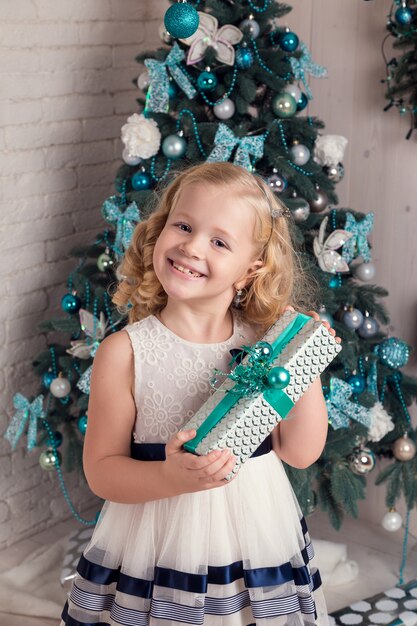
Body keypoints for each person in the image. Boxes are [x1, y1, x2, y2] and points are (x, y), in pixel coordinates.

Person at [61, 162, 340, 626]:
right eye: (184, 226)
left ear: (251, 269)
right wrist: (172, 479)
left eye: (219, 241)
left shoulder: (264, 346)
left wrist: (302, 365)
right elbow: (102, 472)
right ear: (160, 230)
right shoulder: (125, 352)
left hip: (254, 532)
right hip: (156, 536)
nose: (191, 246)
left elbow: (300, 452)